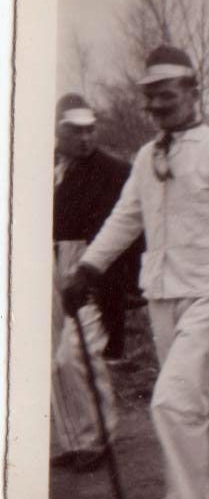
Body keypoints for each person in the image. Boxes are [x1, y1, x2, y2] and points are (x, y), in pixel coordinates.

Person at [61, 45, 209, 499]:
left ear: (191, 93)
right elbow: (125, 218)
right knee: (203, 392)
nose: (156, 105)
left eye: (166, 94)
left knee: (173, 398)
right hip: (164, 290)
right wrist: (88, 268)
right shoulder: (147, 157)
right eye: (149, 96)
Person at [51, 93, 127, 472]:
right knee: (53, 353)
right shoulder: (46, 165)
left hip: (92, 264)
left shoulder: (113, 170)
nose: (84, 138)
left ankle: (99, 436)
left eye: (89, 130)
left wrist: (110, 280)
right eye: (74, 131)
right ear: (58, 131)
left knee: (76, 353)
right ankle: (75, 439)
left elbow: (125, 232)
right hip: (49, 258)